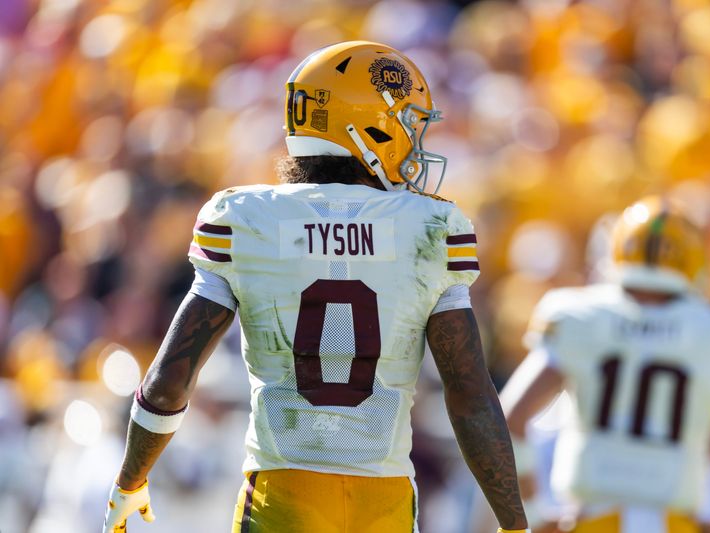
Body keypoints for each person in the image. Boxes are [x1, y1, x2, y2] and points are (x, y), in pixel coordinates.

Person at [103, 41, 528, 533]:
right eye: (407, 124)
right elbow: (471, 395)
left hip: (281, 498)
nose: (414, 142)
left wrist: (130, 480)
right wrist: (513, 524)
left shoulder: (245, 219)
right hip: (383, 505)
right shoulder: (431, 227)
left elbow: (171, 378)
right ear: (365, 127)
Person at [501, 197, 710, 533]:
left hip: (592, 522)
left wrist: (534, 512)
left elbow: (509, 417)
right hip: (674, 525)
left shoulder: (578, 315)